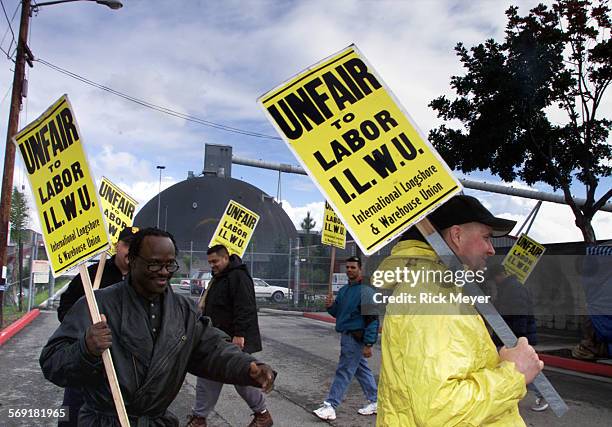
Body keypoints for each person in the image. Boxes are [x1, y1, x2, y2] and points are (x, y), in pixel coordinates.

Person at [40, 228, 275, 426]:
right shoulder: (95, 305)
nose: (163, 272)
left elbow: (212, 349)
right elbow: (52, 363)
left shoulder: (183, 311)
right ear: (132, 261)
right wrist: (86, 349)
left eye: (169, 265)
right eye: (154, 265)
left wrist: (248, 367)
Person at [374, 195, 544, 426]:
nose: (491, 249)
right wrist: (514, 374)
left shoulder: (442, 289)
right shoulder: (431, 299)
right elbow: (440, 409)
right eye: (486, 238)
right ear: (457, 235)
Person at [56, 226, 137, 427]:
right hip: (87, 359)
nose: (130, 251)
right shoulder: (92, 274)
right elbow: (65, 307)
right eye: (127, 245)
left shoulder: (142, 280)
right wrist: (85, 335)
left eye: (136, 247)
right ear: (117, 246)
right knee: (71, 415)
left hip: (123, 367)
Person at [188, 244, 272, 427]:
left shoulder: (238, 276)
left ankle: (262, 414)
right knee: (209, 373)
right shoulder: (218, 278)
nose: (212, 265)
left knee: (242, 377)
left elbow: (245, 306)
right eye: (210, 262)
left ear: (226, 258)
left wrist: (239, 334)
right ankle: (199, 418)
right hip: (215, 338)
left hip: (232, 339)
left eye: (215, 261)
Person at [313, 256, 379, 421]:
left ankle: (330, 405)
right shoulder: (344, 291)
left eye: (353, 267)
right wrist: (330, 307)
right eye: (347, 267)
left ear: (360, 269)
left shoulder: (367, 291)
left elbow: (372, 319)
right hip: (346, 336)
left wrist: (369, 343)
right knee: (361, 370)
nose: (349, 270)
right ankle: (376, 401)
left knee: (344, 370)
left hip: (356, 338)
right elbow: (339, 314)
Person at [488, 264, 548, 412]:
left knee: (524, 367)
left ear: (500, 275)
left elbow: (519, 314)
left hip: (513, 336)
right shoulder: (508, 287)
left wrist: (517, 340)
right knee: (517, 367)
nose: (494, 282)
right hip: (511, 335)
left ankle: (544, 395)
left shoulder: (513, 289)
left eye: (495, 278)